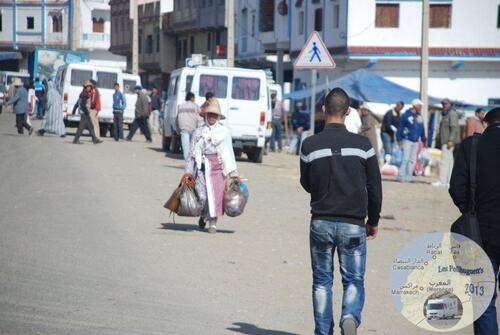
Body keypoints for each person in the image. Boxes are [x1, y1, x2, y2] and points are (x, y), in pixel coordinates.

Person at [300, 88, 382, 335]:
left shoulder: (309, 145)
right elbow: (374, 186)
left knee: (322, 282)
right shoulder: (363, 144)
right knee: (353, 280)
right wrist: (373, 220)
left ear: (323, 109)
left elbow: (306, 183)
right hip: (354, 224)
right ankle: (349, 316)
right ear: (348, 112)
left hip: (321, 222)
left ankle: (323, 331)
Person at [449, 107, 500, 335]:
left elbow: (456, 188)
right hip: (485, 230)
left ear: (485, 125)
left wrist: (470, 211)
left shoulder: (472, 146)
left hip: (482, 232)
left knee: (484, 298)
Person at [184, 99, 239, 234]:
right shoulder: (198, 132)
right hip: (202, 169)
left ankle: (213, 222)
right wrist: (188, 172)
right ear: (206, 116)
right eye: (210, 115)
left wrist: (234, 173)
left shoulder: (224, 132)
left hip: (218, 169)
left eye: (215, 115)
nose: (212, 117)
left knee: (216, 197)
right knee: (202, 197)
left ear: (218, 117)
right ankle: (204, 215)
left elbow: (229, 153)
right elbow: (192, 154)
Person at [396, 99, 427, 183]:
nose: (421, 107)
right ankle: (400, 176)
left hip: (416, 141)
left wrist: (424, 139)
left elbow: (422, 128)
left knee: (412, 160)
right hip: (407, 140)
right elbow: (400, 127)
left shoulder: (419, 116)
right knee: (405, 158)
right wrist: (399, 138)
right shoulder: (406, 115)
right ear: (414, 105)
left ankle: (408, 177)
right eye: (419, 106)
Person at [432, 98, 460, 187]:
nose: (444, 105)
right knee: (449, 161)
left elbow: (454, 127)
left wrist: (451, 140)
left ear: (450, 104)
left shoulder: (452, 113)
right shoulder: (446, 114)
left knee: (444, 161)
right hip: (446, 140)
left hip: (448, 141)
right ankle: (448, 181)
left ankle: (442, 181)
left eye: (446, 104)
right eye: (443, 104)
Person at [176, 92, 203, 161]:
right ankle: (192, 160)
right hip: (193, 128)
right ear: (192, 98)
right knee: (192, 146)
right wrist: (200, 129)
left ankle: (187, 161)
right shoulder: (195, 106)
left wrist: (177, 129)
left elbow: (177, 118)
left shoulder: (180, 106)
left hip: (183, 128)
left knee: (185, 146)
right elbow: (199, 118)